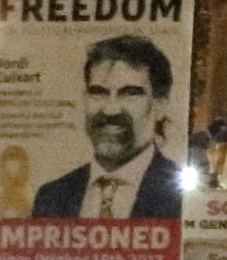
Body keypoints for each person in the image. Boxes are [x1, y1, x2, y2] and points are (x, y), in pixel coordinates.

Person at [28, 36, 187, 219]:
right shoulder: (52, 197)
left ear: (160, 105)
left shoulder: (183, 198)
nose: (111, 109)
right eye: (99, 93)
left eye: (129, 94)